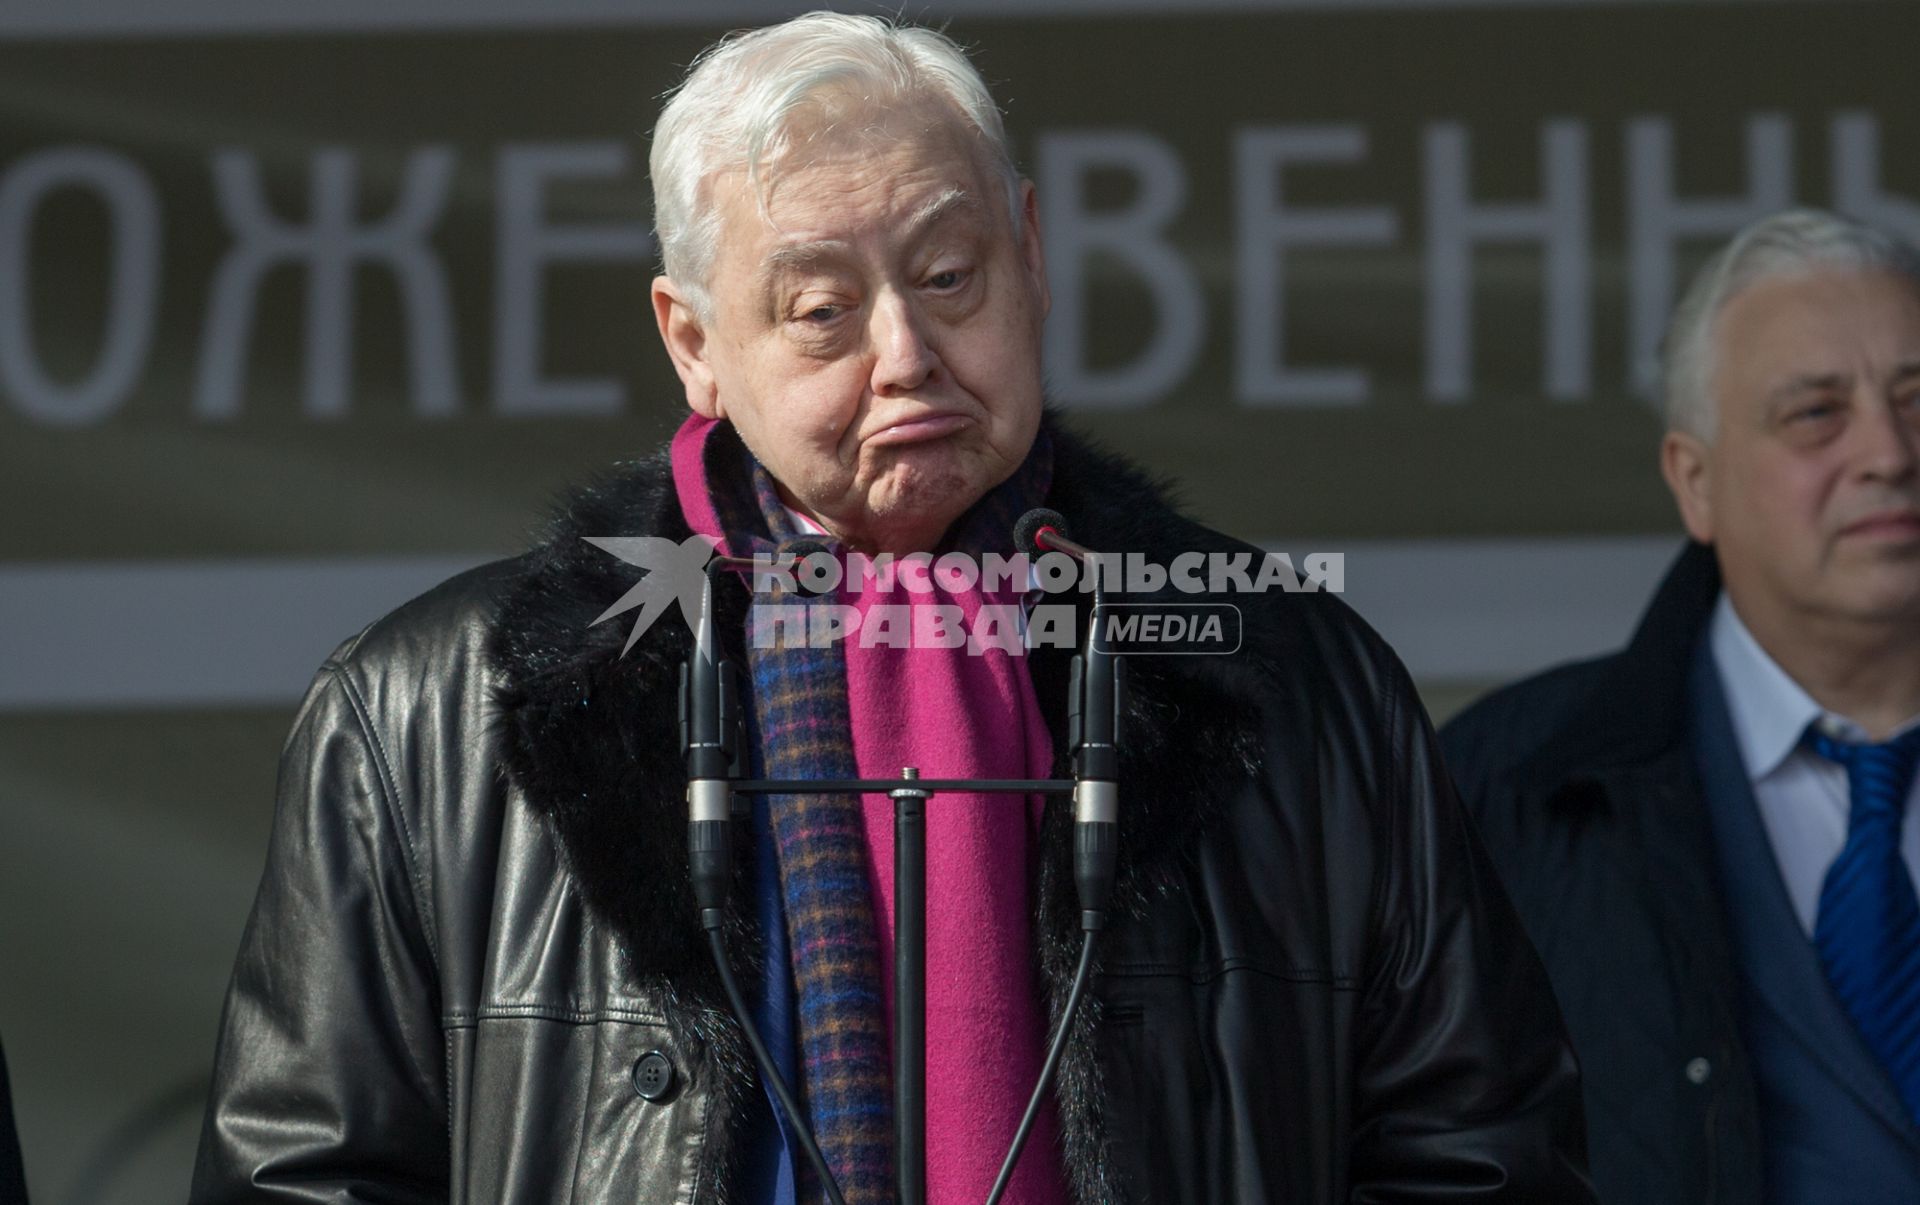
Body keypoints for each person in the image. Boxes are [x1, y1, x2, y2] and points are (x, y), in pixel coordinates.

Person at [191, 12, 1591, 1203]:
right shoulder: (425, 709)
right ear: (695, 341)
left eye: (946, 276)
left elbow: (1482, 1144)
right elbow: (307, 1176)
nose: (908, 354)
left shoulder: (1288, 671)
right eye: (819, 309)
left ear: (1031, 258)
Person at [1443, 208, 1920, 1205]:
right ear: (1694, 482)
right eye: (1817, 413)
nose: (1889, 451)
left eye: (1918, 399)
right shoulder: (1502, 789)